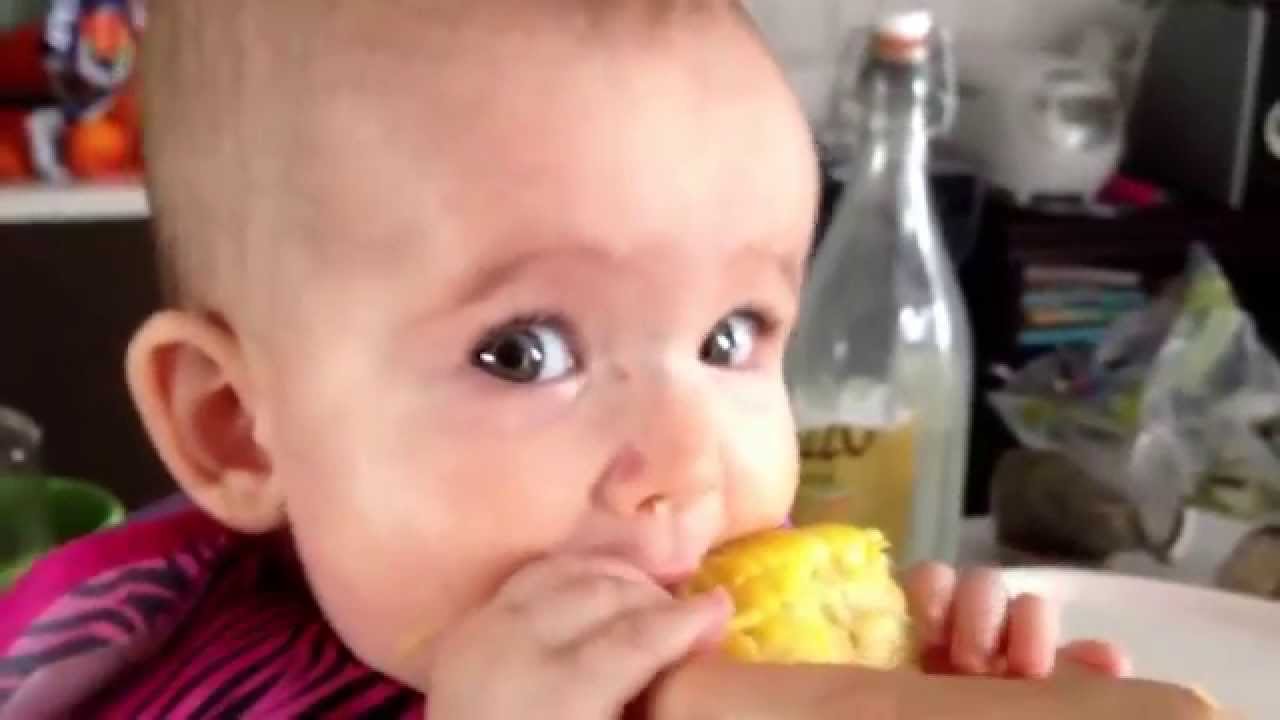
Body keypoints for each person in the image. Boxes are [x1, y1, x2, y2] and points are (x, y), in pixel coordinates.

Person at [0, 1, 1128, 717]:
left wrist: (906, 699)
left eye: (729, 338)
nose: (684, 465)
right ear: (237, 426)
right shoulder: (198, 687)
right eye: (523, 351)